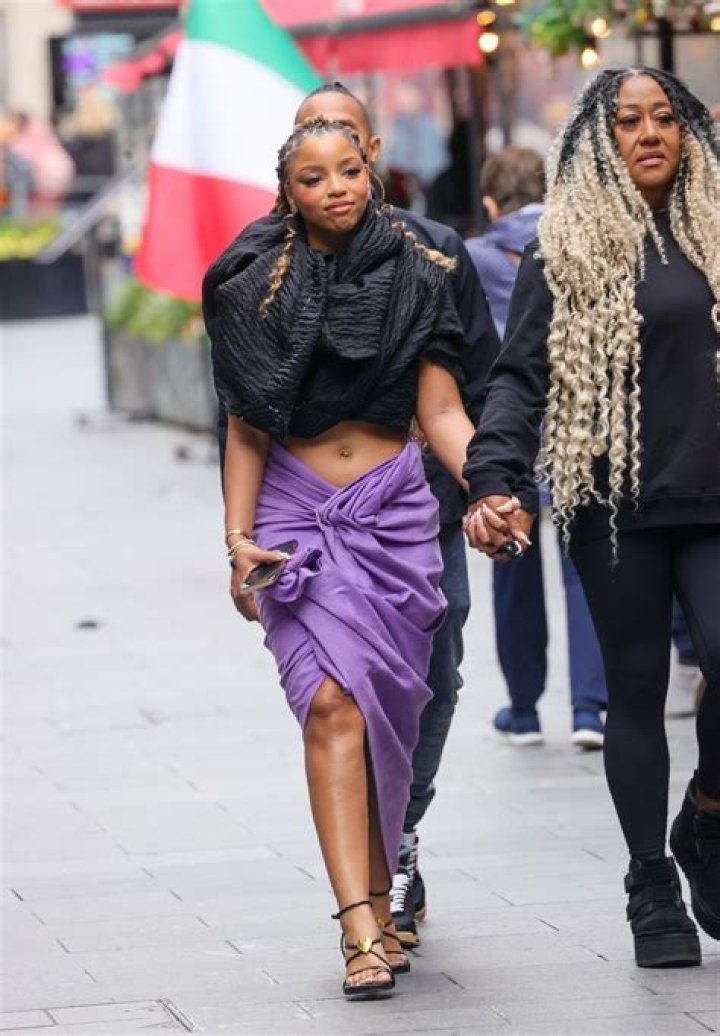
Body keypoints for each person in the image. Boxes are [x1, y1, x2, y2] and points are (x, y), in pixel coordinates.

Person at [218, 81, 502, 950]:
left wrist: (491, 485)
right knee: (333, 703)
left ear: (372, 166)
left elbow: (444, 409)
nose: (335, 186)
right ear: (287, 186)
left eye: (347, 167)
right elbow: (244, 423)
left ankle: (386, 879)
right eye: (313, 173)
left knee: (399, 708)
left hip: (395, 515)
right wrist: (236, 541)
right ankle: (358, 926)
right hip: (295, 517)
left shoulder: (423, 269)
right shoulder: (248, 280)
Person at [463, 68, 719, 969]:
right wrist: (493, 477)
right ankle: (652, 883)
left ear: (689, 132)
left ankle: (706, 817)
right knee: (636, 688)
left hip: (714, 497)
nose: (649, 133)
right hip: (614, 507)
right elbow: (519, 375)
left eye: (665, 118)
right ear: (596, 142)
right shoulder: (564, 247)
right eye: (627, 121)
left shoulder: (716, 233)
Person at [466, 146, 608, 749]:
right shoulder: (580, 244)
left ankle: (523, 710)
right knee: (586, 567)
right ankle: (588, 709)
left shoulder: (472, 258)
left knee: (512, 561)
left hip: (507, 430)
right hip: (579, 428)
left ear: (491, 202)